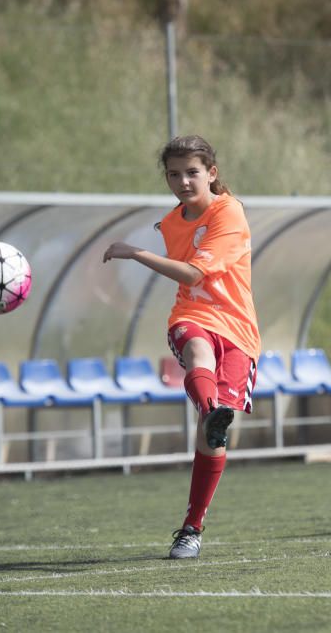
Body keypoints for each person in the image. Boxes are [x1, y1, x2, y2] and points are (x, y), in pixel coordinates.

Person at [102, 135, 262, 556]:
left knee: (211, 442)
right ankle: (212, 412)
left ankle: (193, 526)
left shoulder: (230, 212)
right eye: (174, 174)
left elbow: (193, 274)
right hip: (190, 317)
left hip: (238, 331)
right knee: (196, 353)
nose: (183, 181)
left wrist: (135, 252)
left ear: (211, 172)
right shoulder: (172, 221)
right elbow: (190, 290)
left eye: (192, 172)